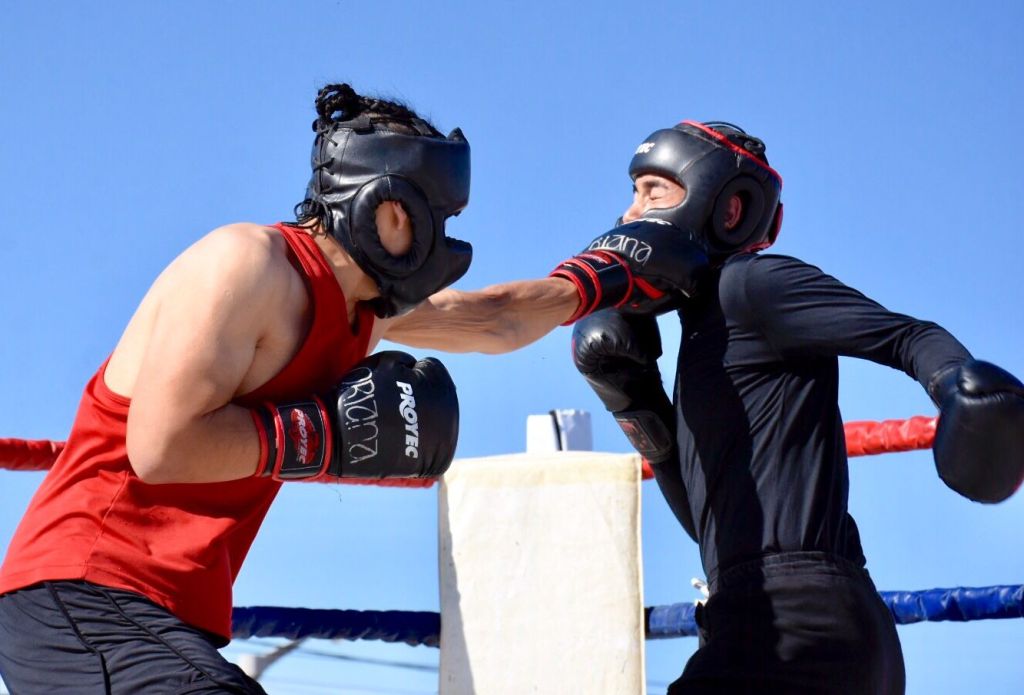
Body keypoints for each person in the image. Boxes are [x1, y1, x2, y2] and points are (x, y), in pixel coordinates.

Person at [0, 84, 708, 694]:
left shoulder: (361, 314)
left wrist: (609, 272)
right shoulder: (245, 264)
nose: (447, 244)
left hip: (161, 616)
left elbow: (494, 320)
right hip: (82, 587)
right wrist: (323, 436)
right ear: (391, 206)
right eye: (439, 216)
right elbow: (161, 446)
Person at [572, 120, 1024, 694]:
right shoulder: (700, 333)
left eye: (654, 191)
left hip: (803, 621)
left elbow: (907, 336)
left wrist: (963, 387)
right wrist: (637, 401)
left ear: (728, 210)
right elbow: (711, 530)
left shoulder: (751, 284)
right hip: (761, 612)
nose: (630, 213)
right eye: (632, 192)